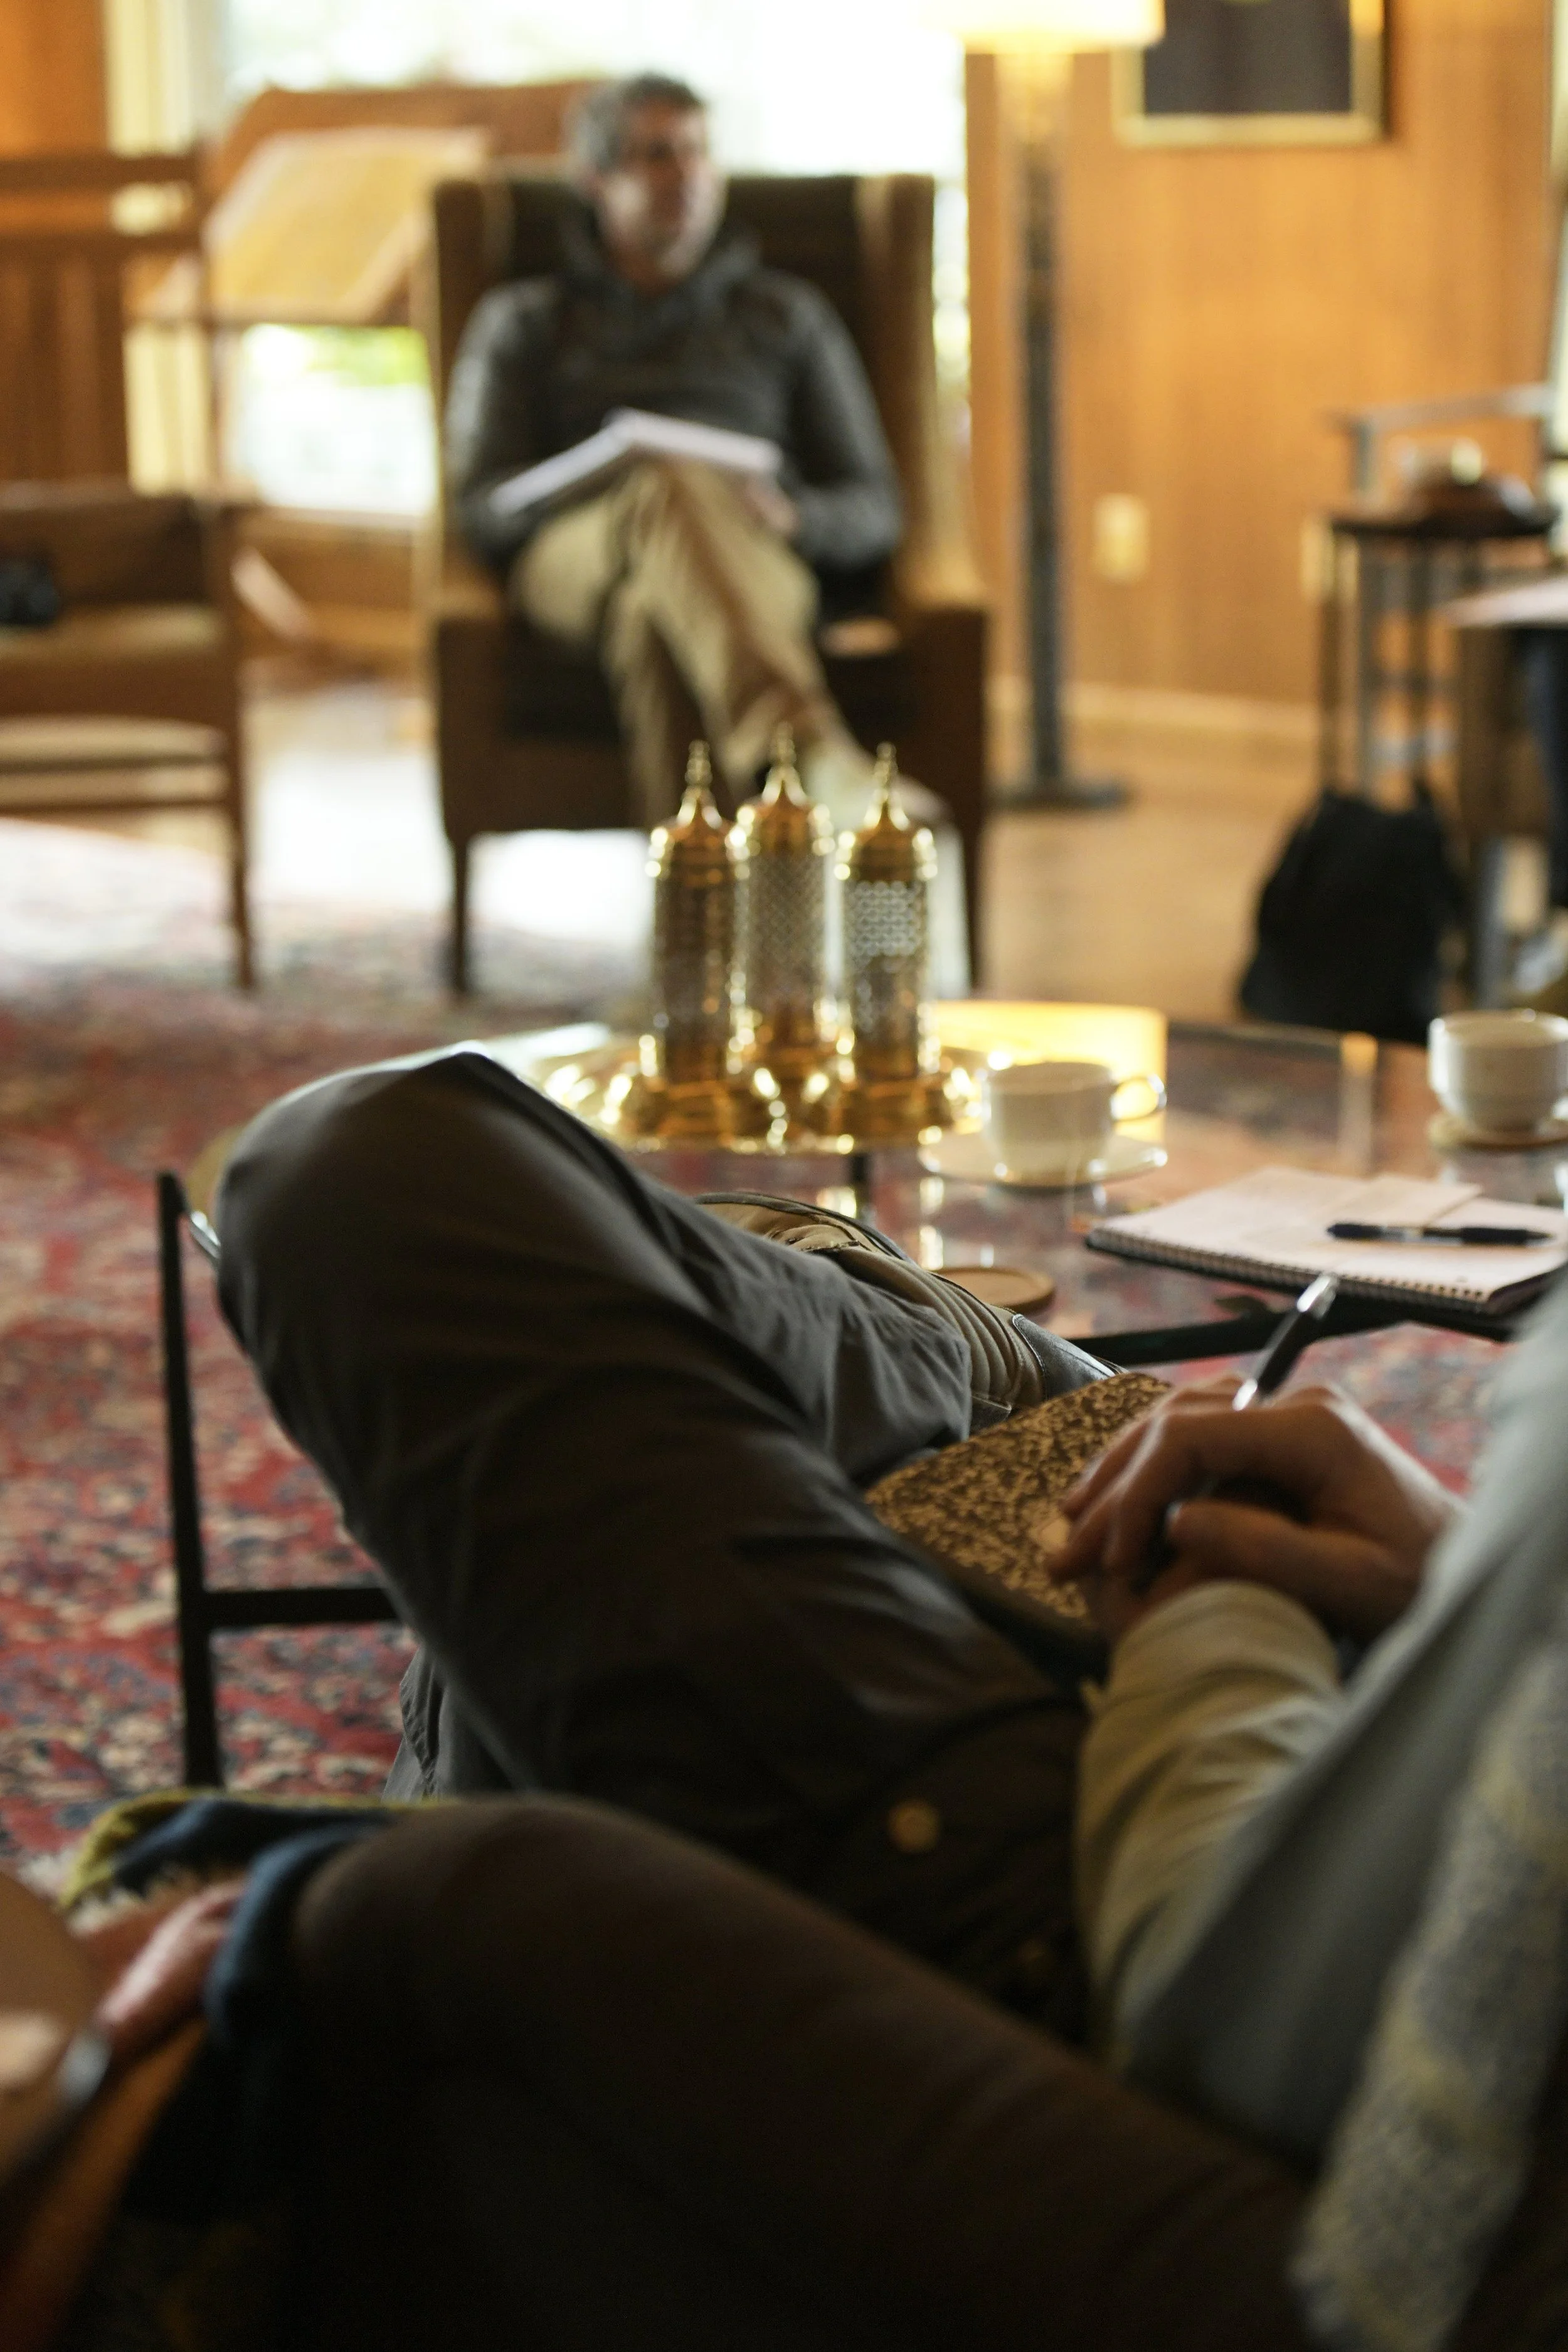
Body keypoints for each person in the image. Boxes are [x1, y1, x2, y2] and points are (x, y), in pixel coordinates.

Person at [208, 1037, 1568, 2178]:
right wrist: (1442, 1566)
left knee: (360, 1167)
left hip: (1076, 1942)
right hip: (1294, 1721)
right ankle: (834, 1300)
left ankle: (810, 1306)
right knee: (909, 1354)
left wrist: (1223, 1600)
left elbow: (1235, 2017)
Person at [445, 72, 908, 836]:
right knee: (665, 486)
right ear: (595, 180)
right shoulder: (524, 322)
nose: (686, 175)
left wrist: (792, 519)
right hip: (570, 557)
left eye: (697, 153)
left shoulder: (788, 316)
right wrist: (595, 483)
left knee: (651, 621)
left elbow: (874, 507)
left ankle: (699, 927)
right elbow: (480, 507)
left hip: (752, 557)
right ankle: (806, 754)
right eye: (655, 156)